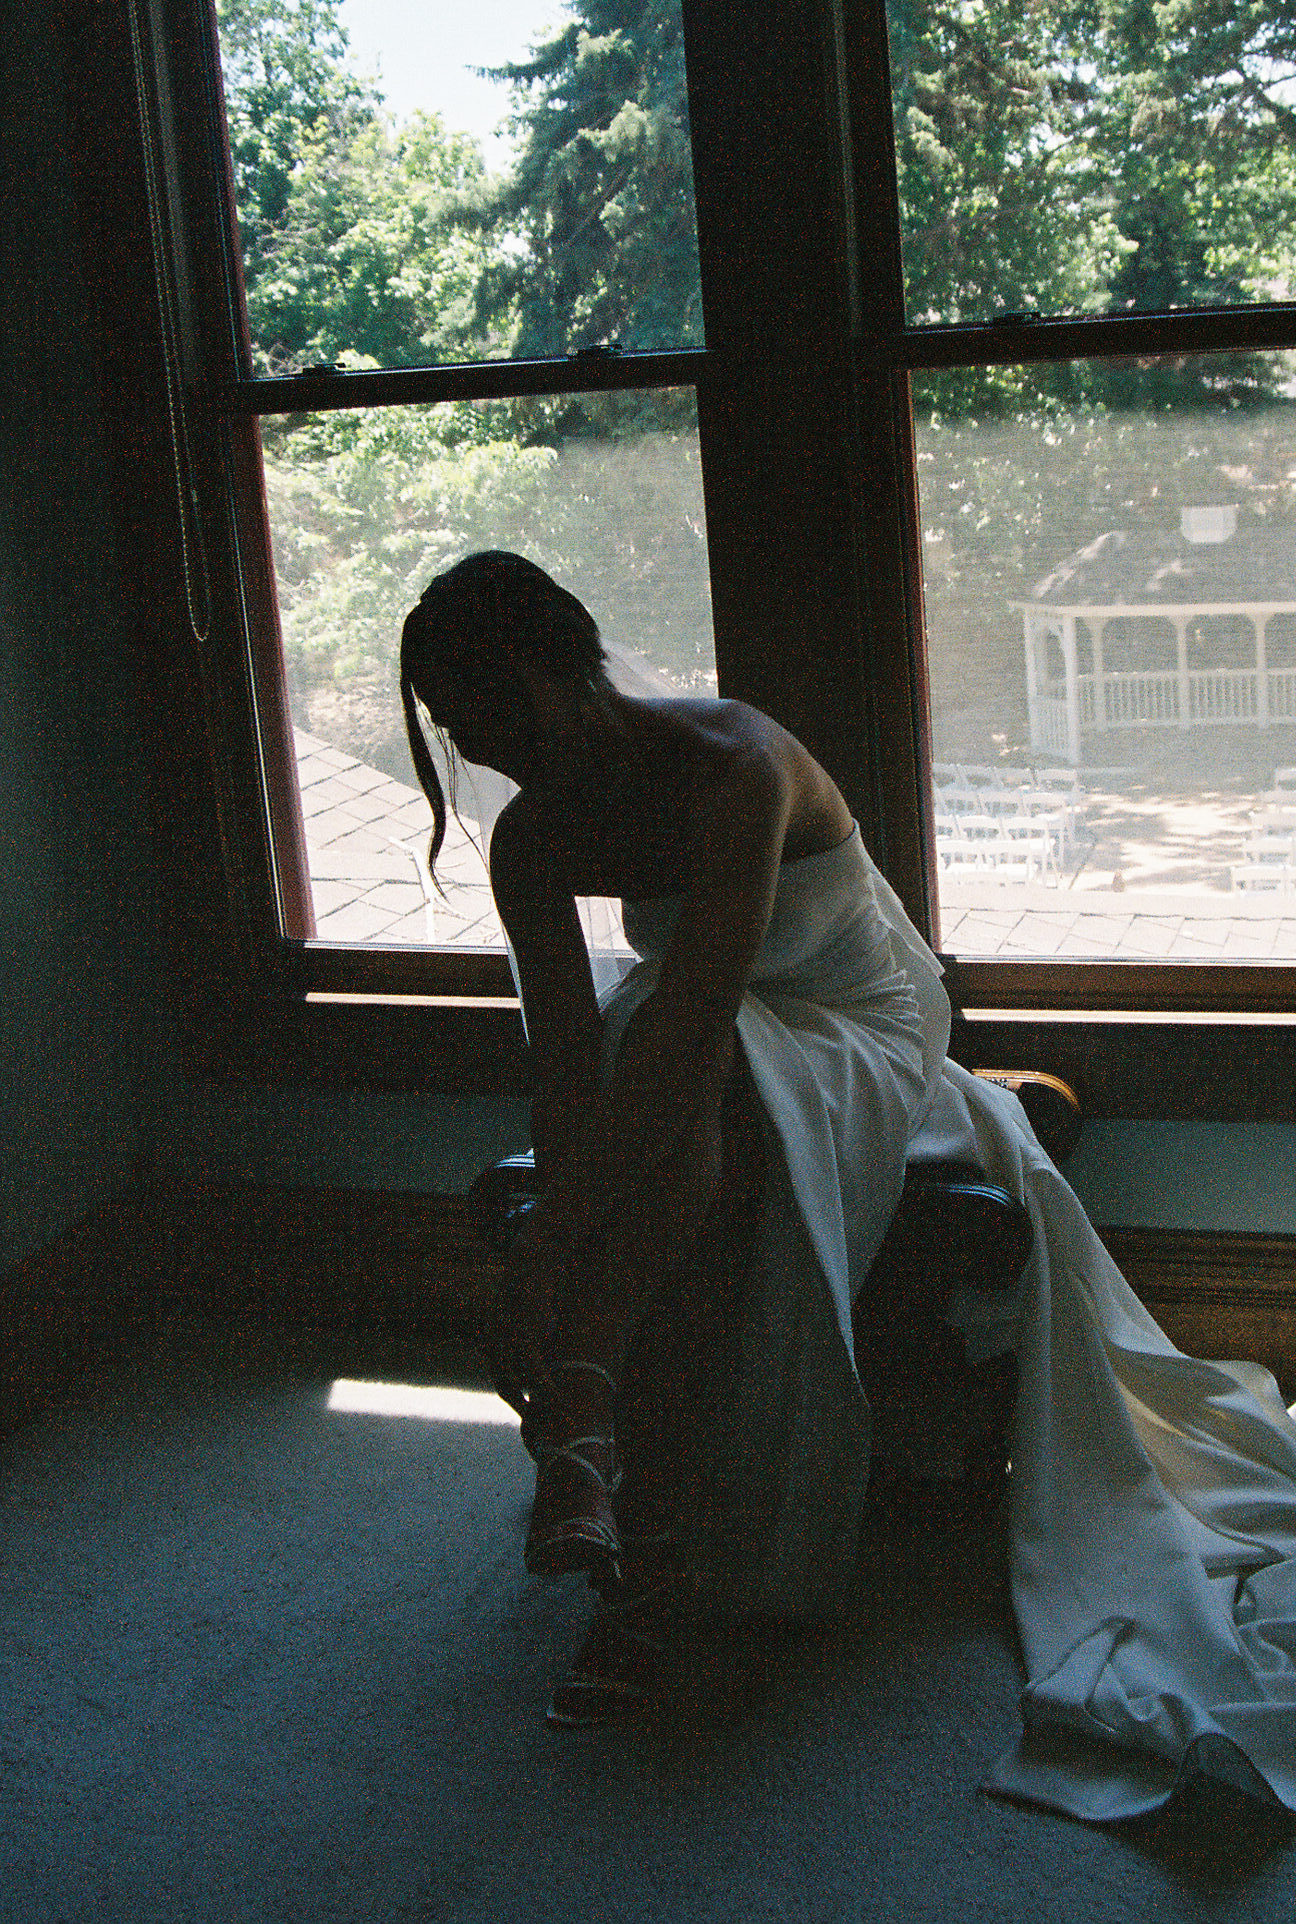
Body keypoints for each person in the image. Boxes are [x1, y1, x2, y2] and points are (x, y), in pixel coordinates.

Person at [402, 550, 1296, 1818]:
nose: (480, 748)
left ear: (559, 663)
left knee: (692, 1041)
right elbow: (564, 1064)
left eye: (489, 708)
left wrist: (554, 1263)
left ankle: (613, 1468)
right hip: (704, 1038)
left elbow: (707, 1003)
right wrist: (555, 1201)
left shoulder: (737, 765)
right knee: (654, 1046)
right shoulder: (532, 838)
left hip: (863, 1016)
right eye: (452, 726)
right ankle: (624, 1487)